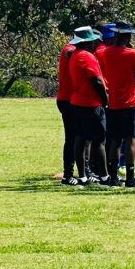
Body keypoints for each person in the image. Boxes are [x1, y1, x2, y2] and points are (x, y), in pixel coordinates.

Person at [101, 21, 135, 188]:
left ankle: (113, 176)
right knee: (131, 140)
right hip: (129, 102)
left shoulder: (105, 53)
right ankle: (130, 176)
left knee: (114, 140)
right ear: (127, 36)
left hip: (113, 102)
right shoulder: (133, 54)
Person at [68, 27, 109, 187]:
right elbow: (97, 80)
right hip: (90, 103)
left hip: (77, 102)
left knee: (81, 137)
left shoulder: (74, 55)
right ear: (87, 42)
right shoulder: (86, 56)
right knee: (99, 140)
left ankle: (83, 175)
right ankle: (105, 177)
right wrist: (105, 99)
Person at [56, 39, 77, 185]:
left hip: (69, 99)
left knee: (77, 138)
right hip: (69, 100)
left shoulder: (71, 49)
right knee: (73, 138)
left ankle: (75, 172)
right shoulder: (70, 50)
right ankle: (68, 174)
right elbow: (69, 52)